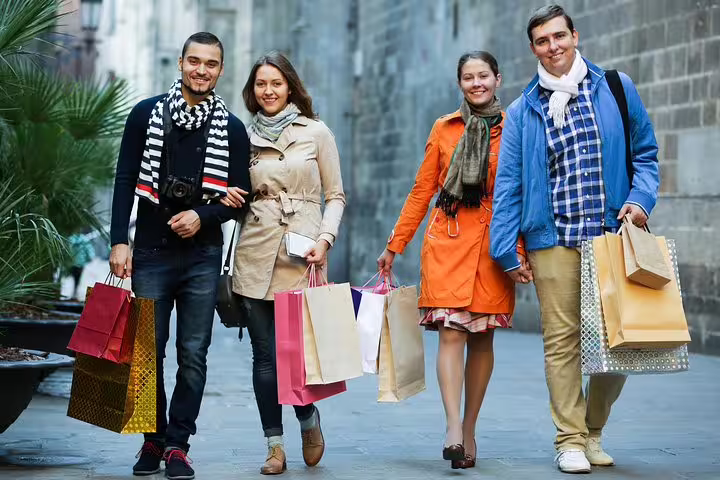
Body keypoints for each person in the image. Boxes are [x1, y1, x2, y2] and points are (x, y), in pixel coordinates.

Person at [490, 5, 659, 474]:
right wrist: (506, 248)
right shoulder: (525, 110)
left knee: (621, 342)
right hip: (552, 239)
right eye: (542, 41)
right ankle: (569, 440)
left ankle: (593, 428)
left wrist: (641, 200)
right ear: (533, 48)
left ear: (575, 36)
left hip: (610, 236)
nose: (553, 47)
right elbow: (510, 183)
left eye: (559, 37)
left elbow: (646, 154)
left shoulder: (617, 89)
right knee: (561, 342)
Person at [109, 32, 251, 480]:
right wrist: (118, 240)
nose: (201, 70)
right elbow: (125, 177)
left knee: (193, 353)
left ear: (220, 70)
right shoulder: (145, 114)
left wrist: (202, 215)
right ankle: (151, 439)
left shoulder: (231, 128)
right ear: (181, 63)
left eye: (211, 63)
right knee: (147, 352)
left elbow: (241, 199)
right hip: (150, 252)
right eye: (195, 61)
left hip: (202, 257)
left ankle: (178, 445)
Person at [376, 51, 526, 470]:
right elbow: (422, 190)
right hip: (448, 241)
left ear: (497, 78)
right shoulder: (445, 129)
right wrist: (394, 245)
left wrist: (521, 250)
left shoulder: (514, 129)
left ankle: (471, 425)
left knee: (482, 338)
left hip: (494, 248)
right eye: (468, 77)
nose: (476, 83)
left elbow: (524, 192)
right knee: (451, 333)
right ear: (459, 83)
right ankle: (453, 428)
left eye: (483, 76)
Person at [220, 51, 345, 475]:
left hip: (302, 253)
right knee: (264, 356)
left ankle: (308, 420)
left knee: (297, 353)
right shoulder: (241, 135)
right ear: (252, 91)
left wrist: (325, 239)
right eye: (260, 84)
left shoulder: (316, 132)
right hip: (255, 251)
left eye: (275, 83)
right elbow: (231, 193)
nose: (268, 91)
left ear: (289, 86)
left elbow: (337, 196)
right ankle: (274, 446)